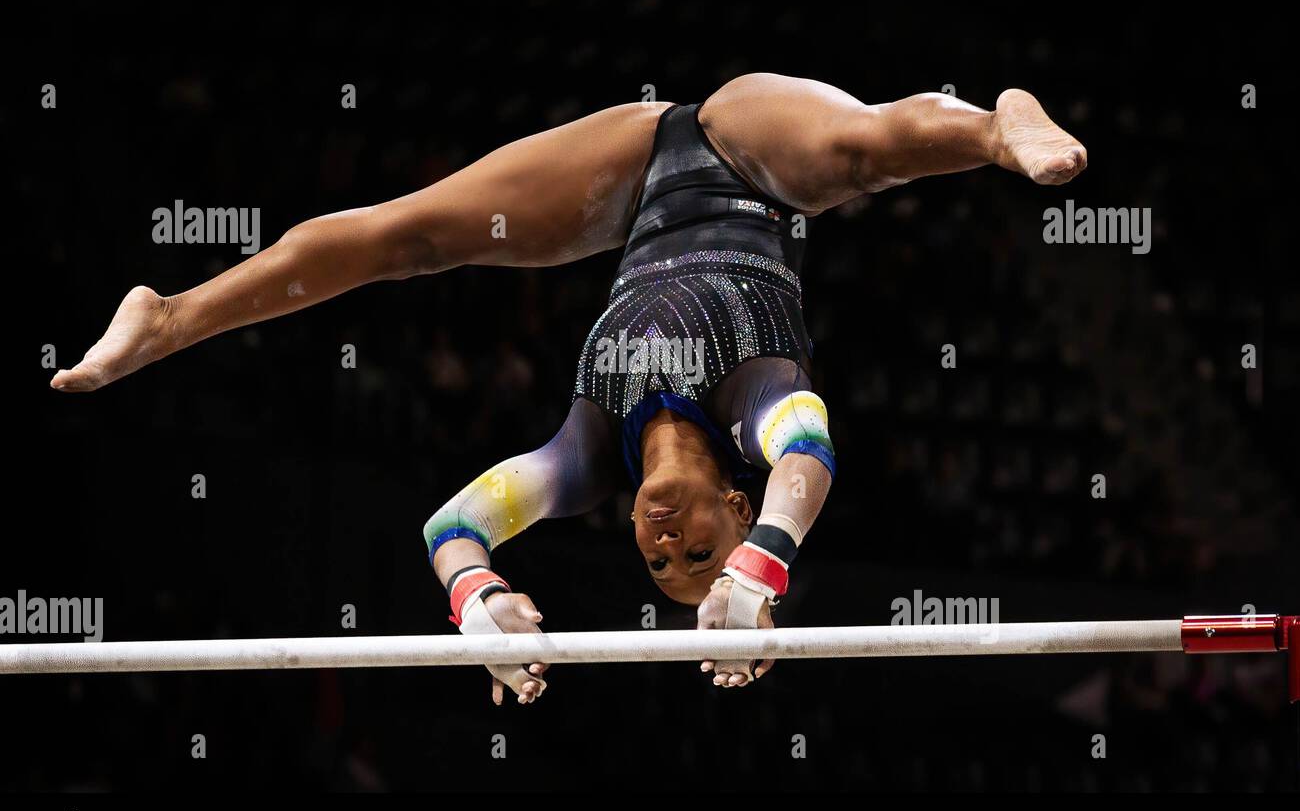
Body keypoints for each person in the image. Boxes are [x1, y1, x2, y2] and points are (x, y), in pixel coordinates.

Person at [50, 73, 1086, 704]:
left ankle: (175, 313)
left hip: (629, 183)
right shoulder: (755, 403)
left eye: (658, 562)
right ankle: (999, 126)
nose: (667, 539)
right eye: (700, 552)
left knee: (409, 236)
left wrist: (481, 600)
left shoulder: (586, 454)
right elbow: (808, 451)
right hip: (751, 157)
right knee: (860, 152)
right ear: (737, 504)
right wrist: (760, 572)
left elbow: (450, 521)